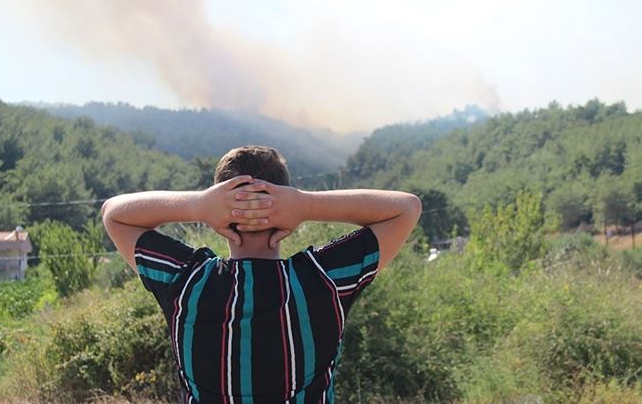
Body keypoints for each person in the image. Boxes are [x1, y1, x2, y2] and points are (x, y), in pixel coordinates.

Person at [101, 145, 421, 403]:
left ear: (222, 218)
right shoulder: (325, 280)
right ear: (284, 211)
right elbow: (405, 208)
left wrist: (198, 206)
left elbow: (114, 214)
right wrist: (305, 205)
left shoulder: (185, 282)